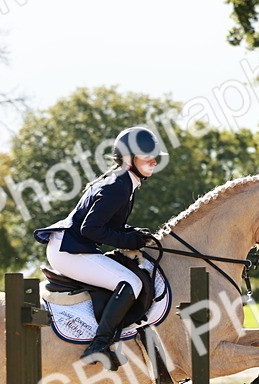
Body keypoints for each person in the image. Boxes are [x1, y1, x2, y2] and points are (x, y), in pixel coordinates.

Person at [33, 126, 166, 369]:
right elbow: (90, 229)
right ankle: (99, 345)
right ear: (128, 158)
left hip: (73, 247)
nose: (153, 161)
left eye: (154, 156)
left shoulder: (125, 181)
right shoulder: (118, 185)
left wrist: (133, 234)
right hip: (70, 250)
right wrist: (129, 240)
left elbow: (106, 226)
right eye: (147, 156)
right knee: (131, 283)